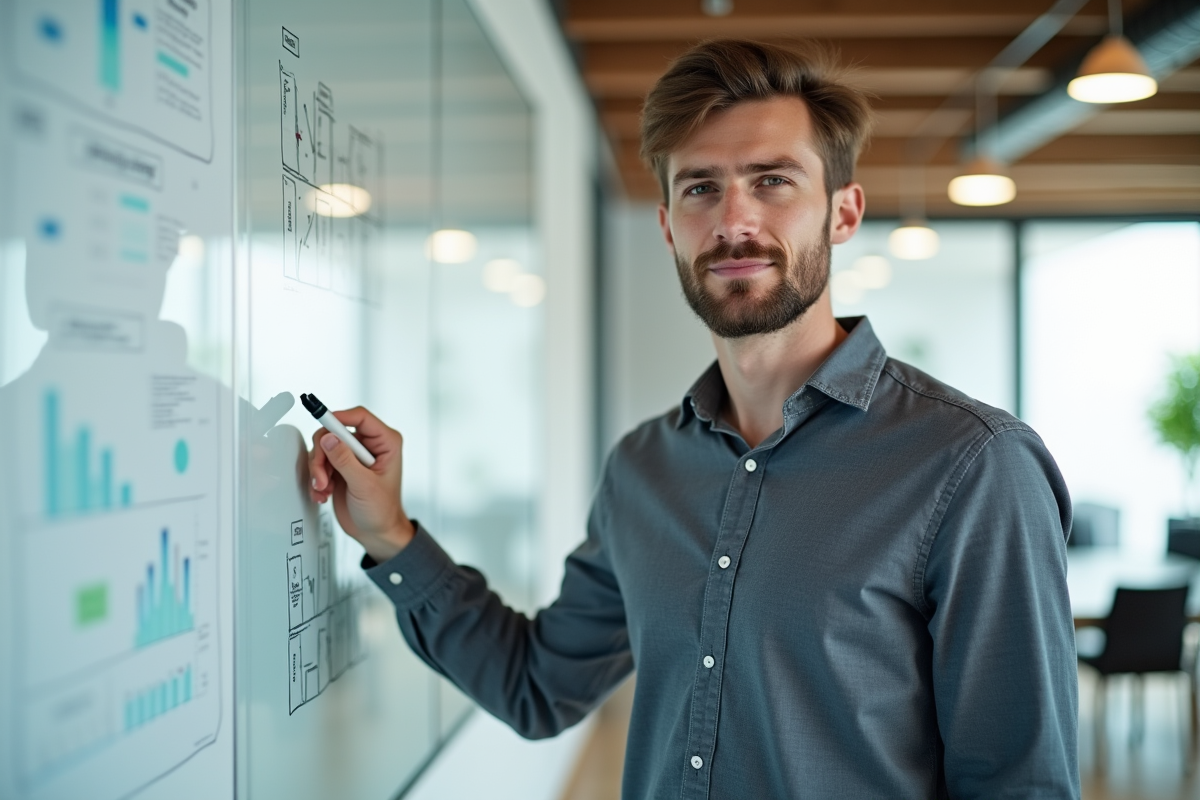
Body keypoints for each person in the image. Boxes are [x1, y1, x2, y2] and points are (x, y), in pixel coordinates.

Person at [308, 39, 1078, 799]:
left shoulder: (973, 466)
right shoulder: (644, 468)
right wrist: (389, 535)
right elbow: (539, 686)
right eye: (701, 188)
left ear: (843, 214)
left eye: (773, 181)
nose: (734, 220)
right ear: (670, 225)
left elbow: (1021, 785)